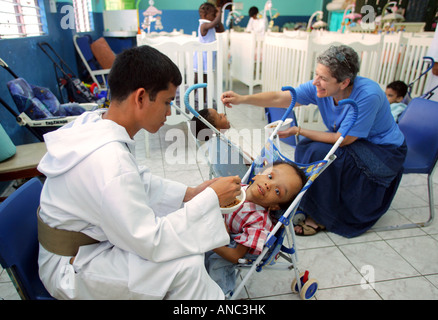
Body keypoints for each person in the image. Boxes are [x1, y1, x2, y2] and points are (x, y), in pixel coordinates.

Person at [36, 45, 242, 300]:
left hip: (81, 247)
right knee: (185, 267)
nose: (169, 112)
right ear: (141, 97)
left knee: (186, 249)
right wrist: (209, 199)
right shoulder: (109, 161)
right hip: (71, 267)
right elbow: (151, 240)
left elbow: (137, 179)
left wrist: (191, 193)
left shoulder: (96, 122)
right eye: (167, 102)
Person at [221, 45, 407, 238]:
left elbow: (342, 140)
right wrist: (243, 98)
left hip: (383, 151)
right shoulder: (322, 87)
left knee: (319, 154)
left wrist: (300, 130)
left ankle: (322, 215)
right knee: (307, 147)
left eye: (323, 78)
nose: (316, 82)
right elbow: (281, 97)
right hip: (350, 139)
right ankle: (309, 202)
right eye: (316, 74)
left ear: (344, 83)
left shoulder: (368, 96)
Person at [205, 161, 307, 294]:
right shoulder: (237, 189)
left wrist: (210, 242)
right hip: (227, 229)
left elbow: (236, 256)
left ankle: (219, 293)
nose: (269, 185)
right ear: (258, 174)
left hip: (241, 245)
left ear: (276, 206)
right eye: (270, 177)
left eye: (277, 191)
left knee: (217, 262)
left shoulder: (258, 222)